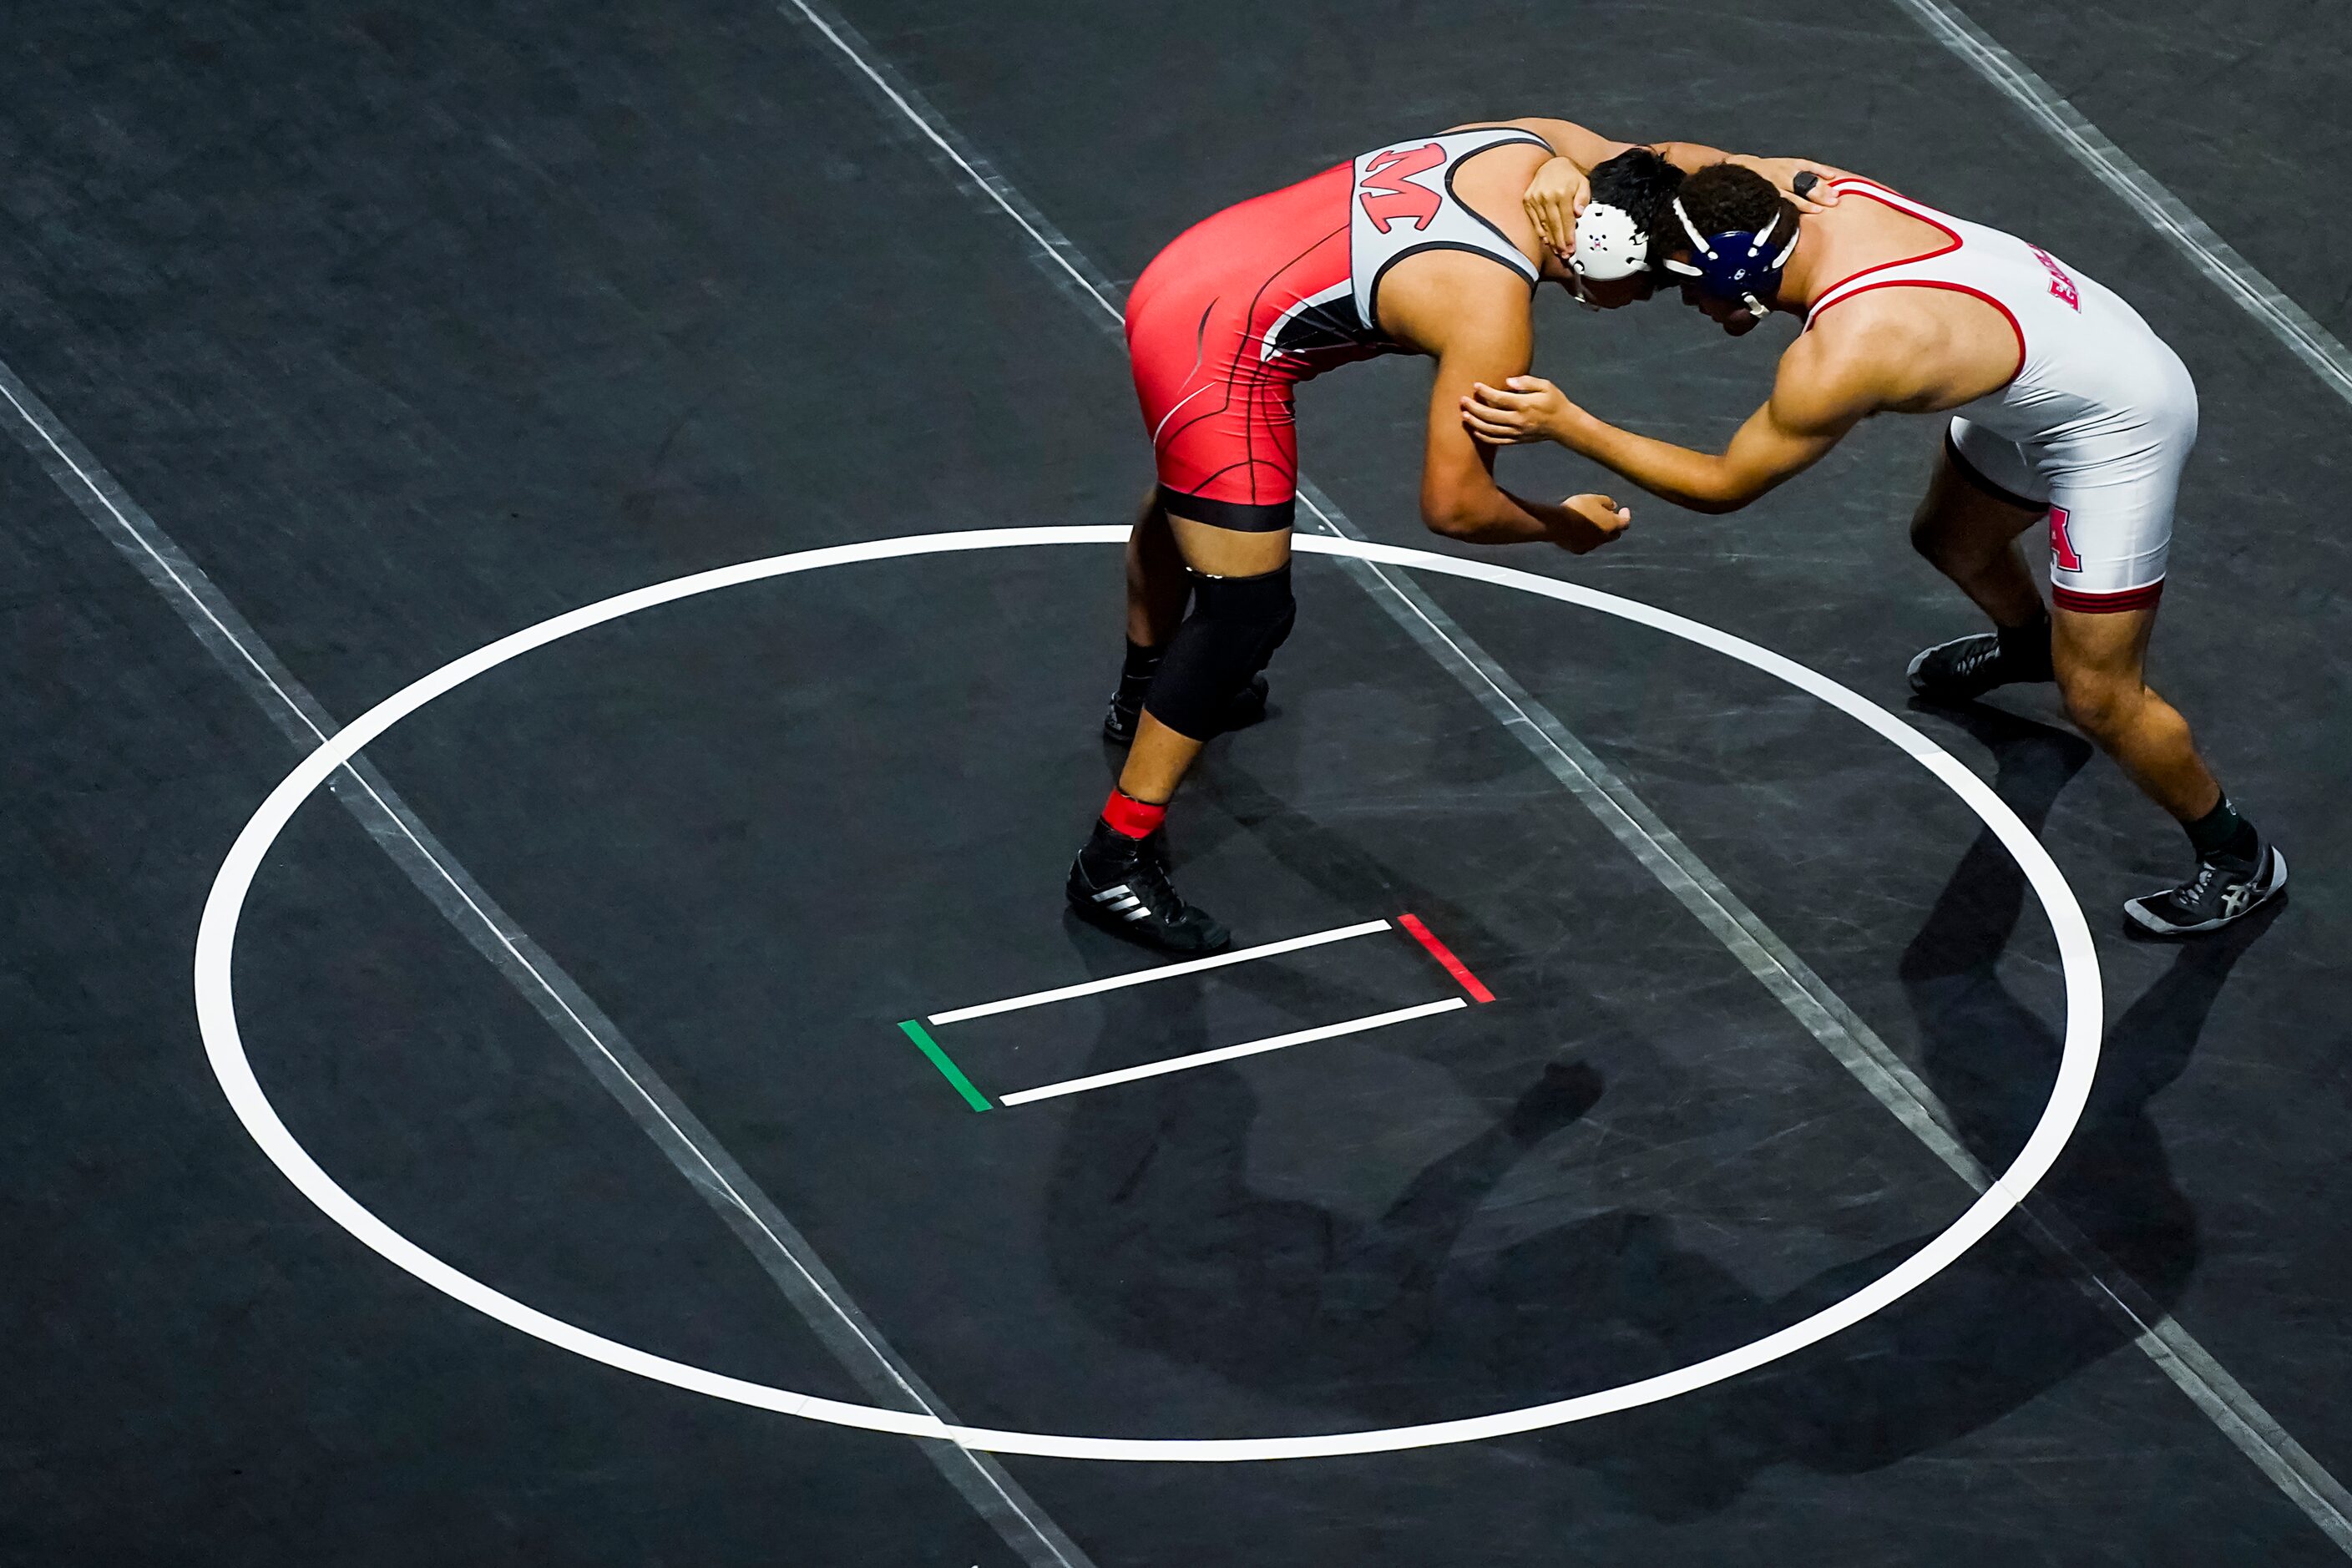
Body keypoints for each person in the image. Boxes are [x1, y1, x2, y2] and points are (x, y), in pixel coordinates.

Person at [1462, 159, 2285, 936]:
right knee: (1950, 540)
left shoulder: (1849, 350)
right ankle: (2027, 644)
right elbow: (1643, 159)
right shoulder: (1786, 187)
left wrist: (1569, 425)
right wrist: (1561, 172)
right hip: (2055, 354)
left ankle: (2238, 854)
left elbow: (1723, 486)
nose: (1697, 314)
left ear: (1730, 280)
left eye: (1692, 297)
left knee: (2101, 697)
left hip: (2116, 425)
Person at [1071, 127, 1818, 953]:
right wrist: (1562, 526)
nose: (1640, 305)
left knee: (1199, 496)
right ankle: (1116, 856)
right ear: (1598, 255)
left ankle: (1142, 692)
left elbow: (1659, 155)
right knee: (1247, 611)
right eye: (1644, 290)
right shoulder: (1490, 307)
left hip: (1202, 261)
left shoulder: (1535, 144)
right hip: (1214, 346)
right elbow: (1455, 507)